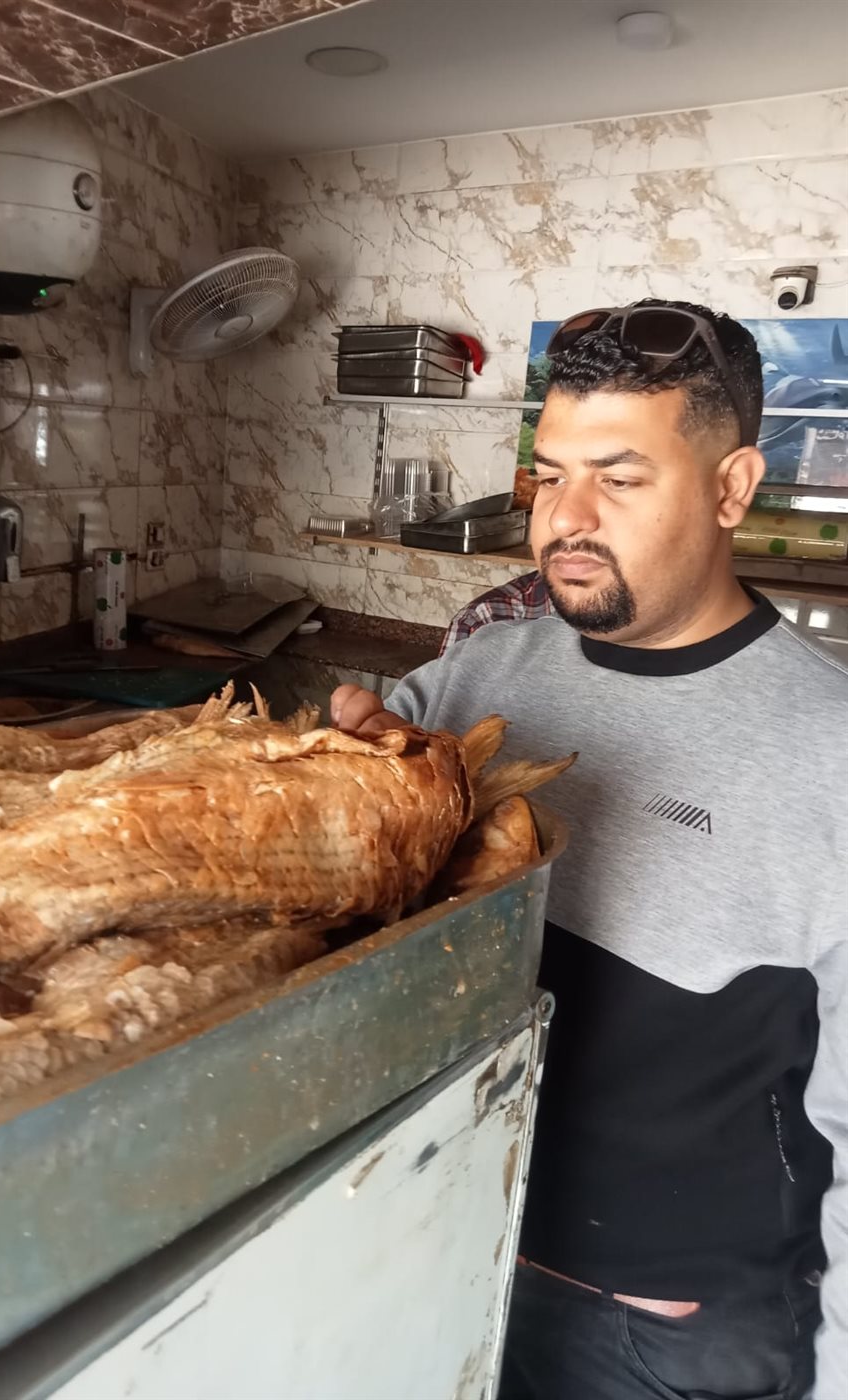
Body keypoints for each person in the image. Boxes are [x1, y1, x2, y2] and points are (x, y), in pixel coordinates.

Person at [331, 301, 848, 1400]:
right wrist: (342, 780)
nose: (565, 517)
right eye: (551, 473)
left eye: (619, 477)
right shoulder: (474, 679)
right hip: (439, 1239)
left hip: (652, 1335)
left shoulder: (830, 752)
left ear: (731, 487)